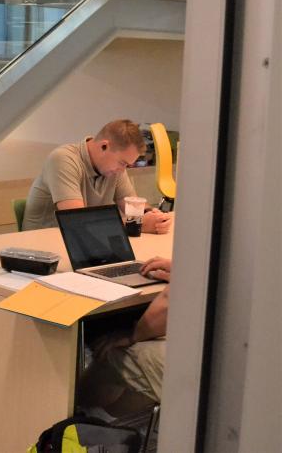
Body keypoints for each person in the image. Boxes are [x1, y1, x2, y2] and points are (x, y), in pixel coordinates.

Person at [22, 119, 174, 233]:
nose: (123, 170)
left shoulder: (113, 168)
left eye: (127, 165)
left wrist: (153, 216)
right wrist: (136, 224)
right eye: (122, 163)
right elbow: (77, 222)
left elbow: (132, 208)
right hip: (43, 251)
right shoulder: (63, 159)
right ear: (104, 146)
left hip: (85, 245)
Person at [82, 257, 170, 409]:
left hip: (197, 365)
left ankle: (83, 413)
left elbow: (166, 308)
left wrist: (133, 336)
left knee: (110, 351)